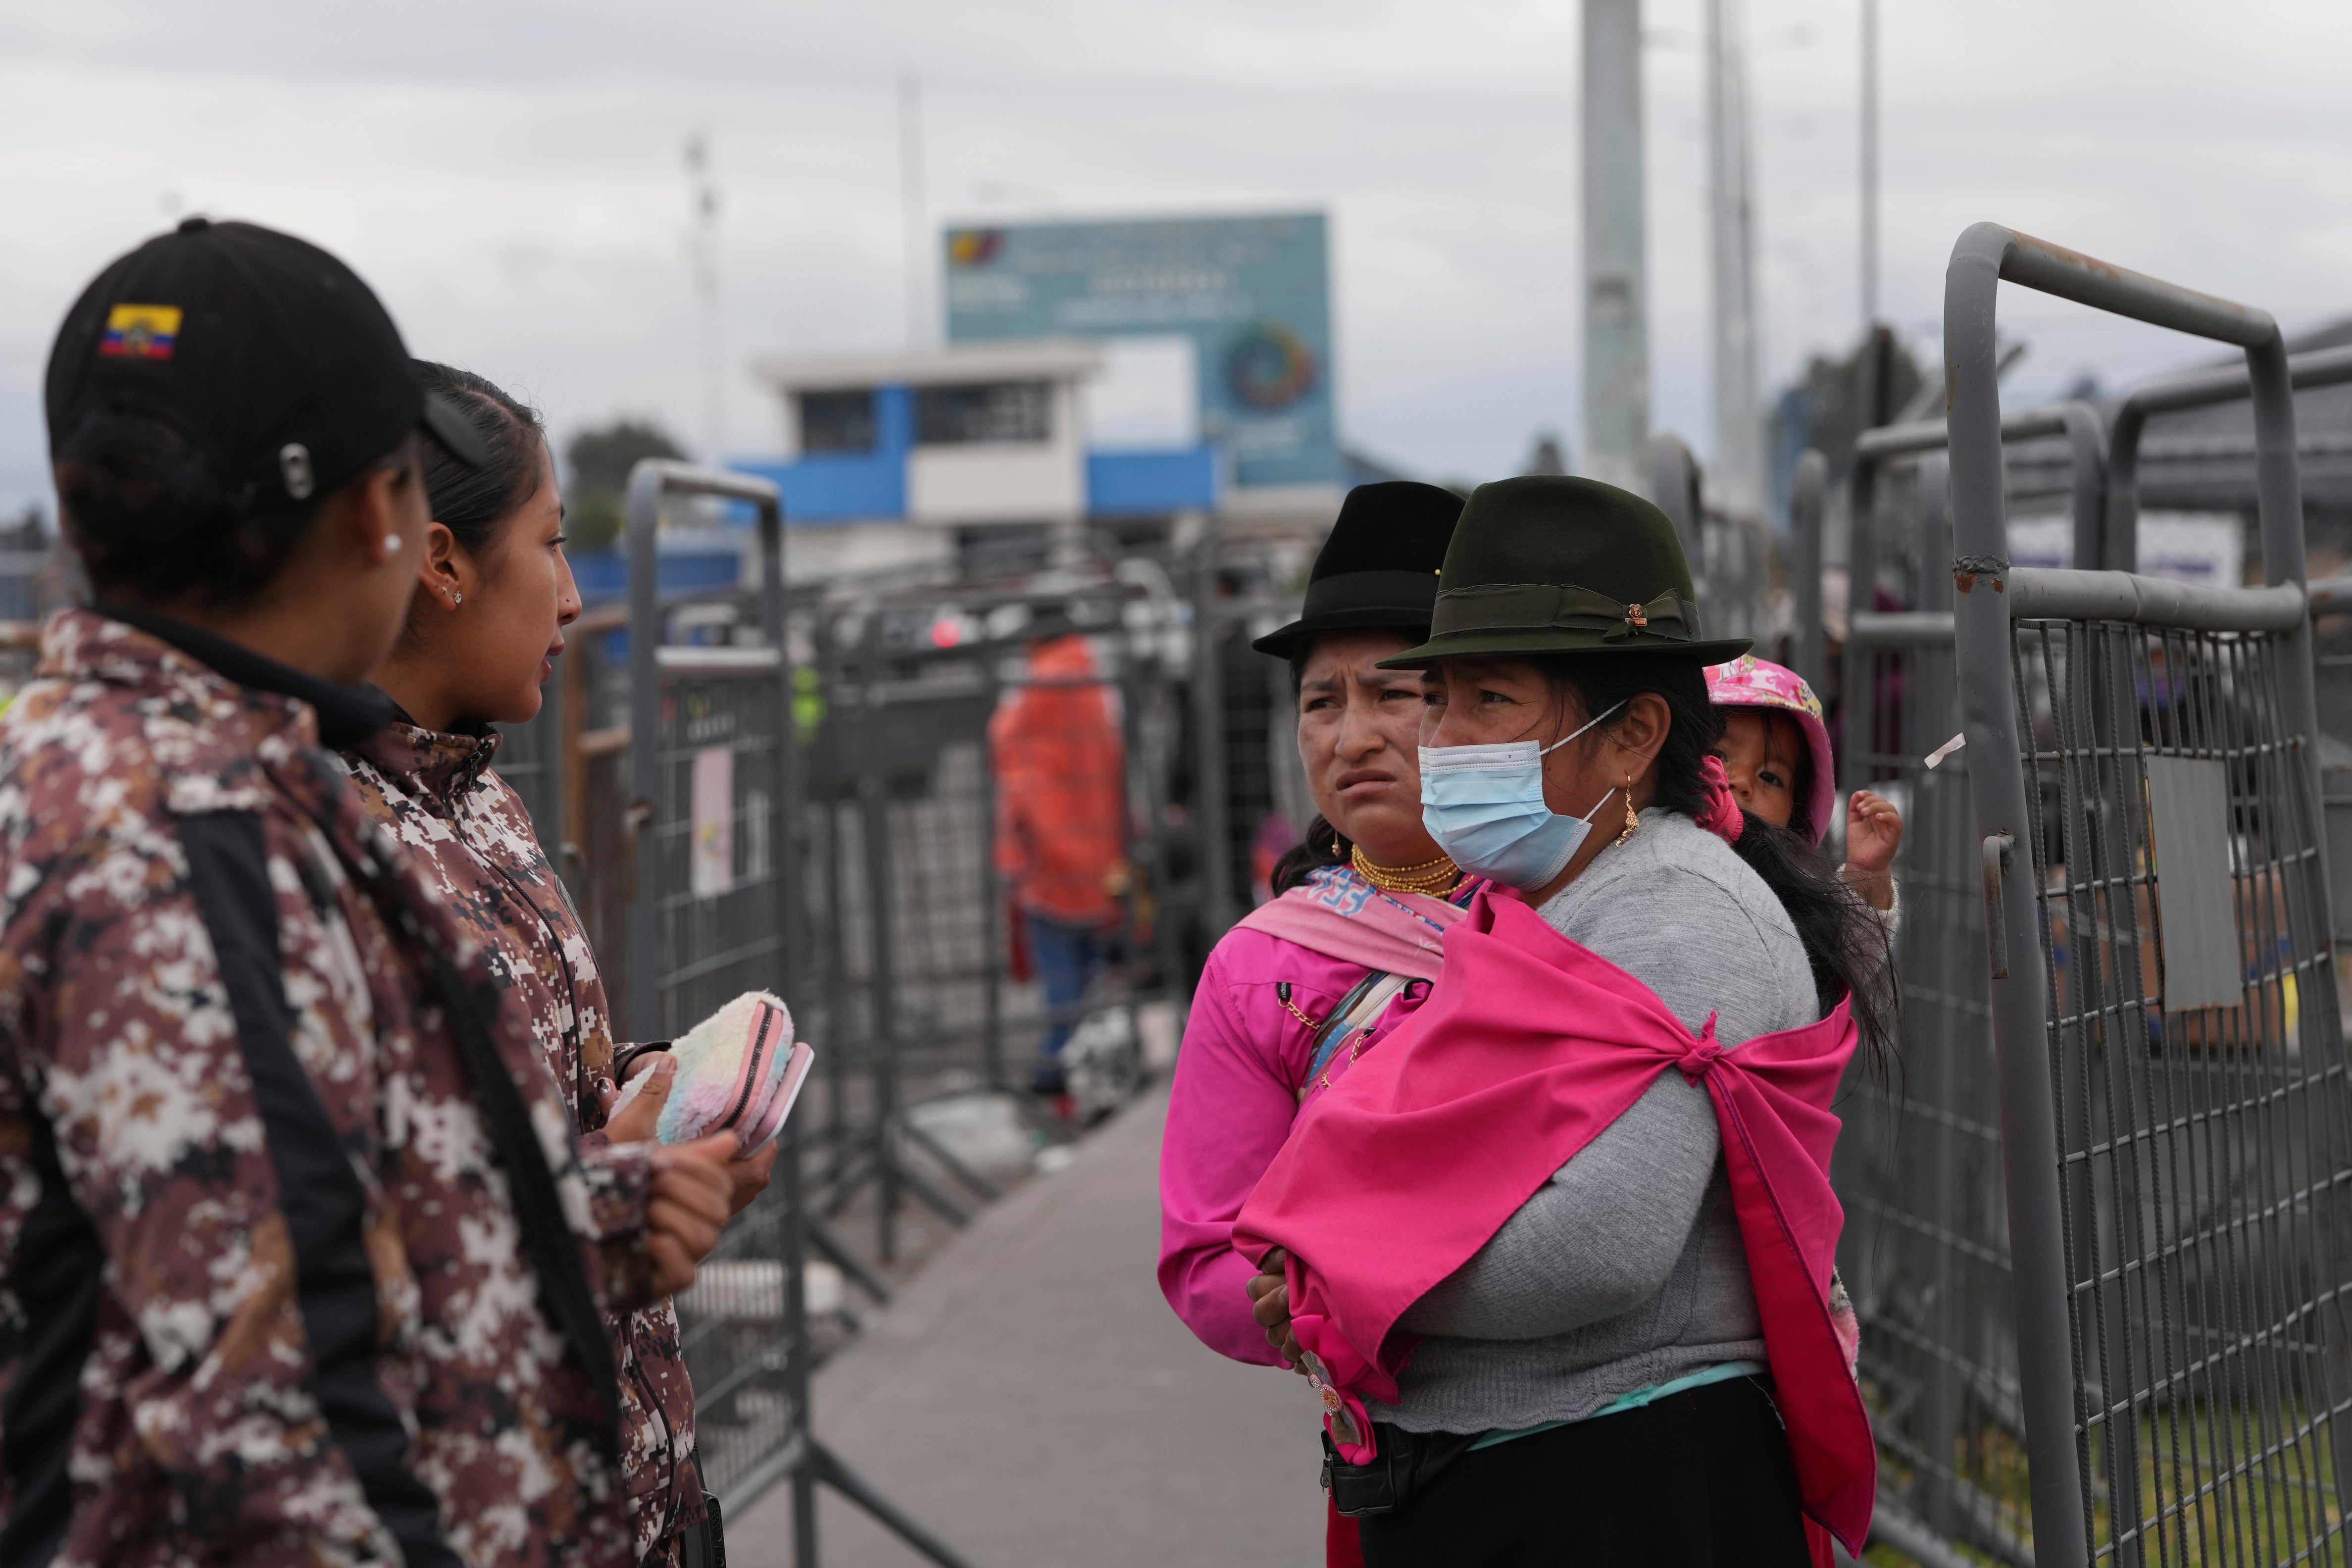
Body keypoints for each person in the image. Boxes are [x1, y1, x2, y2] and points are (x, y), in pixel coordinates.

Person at [0, 219, 736, 1568]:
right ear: (378, 518)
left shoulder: (175, 775)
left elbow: (314, 1201)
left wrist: (597, 1215)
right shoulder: (184, 836)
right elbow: (271, 1426)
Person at [1235, 477, 1891, 1567]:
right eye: (1436, 696)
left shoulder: (1679, 910)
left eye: (1488, 700)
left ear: (1631, 733)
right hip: (1509, 1483)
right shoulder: (1531, 901)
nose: (1439, 737)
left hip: (1619, 1490)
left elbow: (1597, 1247)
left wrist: (1342, 1278)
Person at [342, 361, 776, 1565]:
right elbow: (373, 1227)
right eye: (552, 544)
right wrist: (621, 1185)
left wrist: (665, 1101)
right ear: (441, 562)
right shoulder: (314, 841)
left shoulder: (477, 789)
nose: (575, 599)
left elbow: (551, 1089)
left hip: (642, 1483)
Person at [1156, 480, 1465, 1567]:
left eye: (1396, 693)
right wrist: (1305, 1303)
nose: (1352, 734)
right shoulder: (1265, 964)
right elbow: (1203, 1254)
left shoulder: (1587, 902)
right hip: (1408, 1450)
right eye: (1321, 700)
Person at [990, 609, 1129, 1094]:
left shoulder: (1031, 691)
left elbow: (1010, 767)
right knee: (1097, 971)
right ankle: (1097, 1064)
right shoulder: (1100, 682)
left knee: (1059, 974)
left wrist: (1010, 854)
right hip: (1102, 850)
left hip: (1047, 855)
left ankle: (1055, 1068)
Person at [1706, 653, 1903, 928]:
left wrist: (1867, 874)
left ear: (1795, 814)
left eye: (1770, 777)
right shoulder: (1637, 842)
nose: (1740, 782)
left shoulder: (1792, 898)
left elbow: (1843, 963)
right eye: (1718, 755)